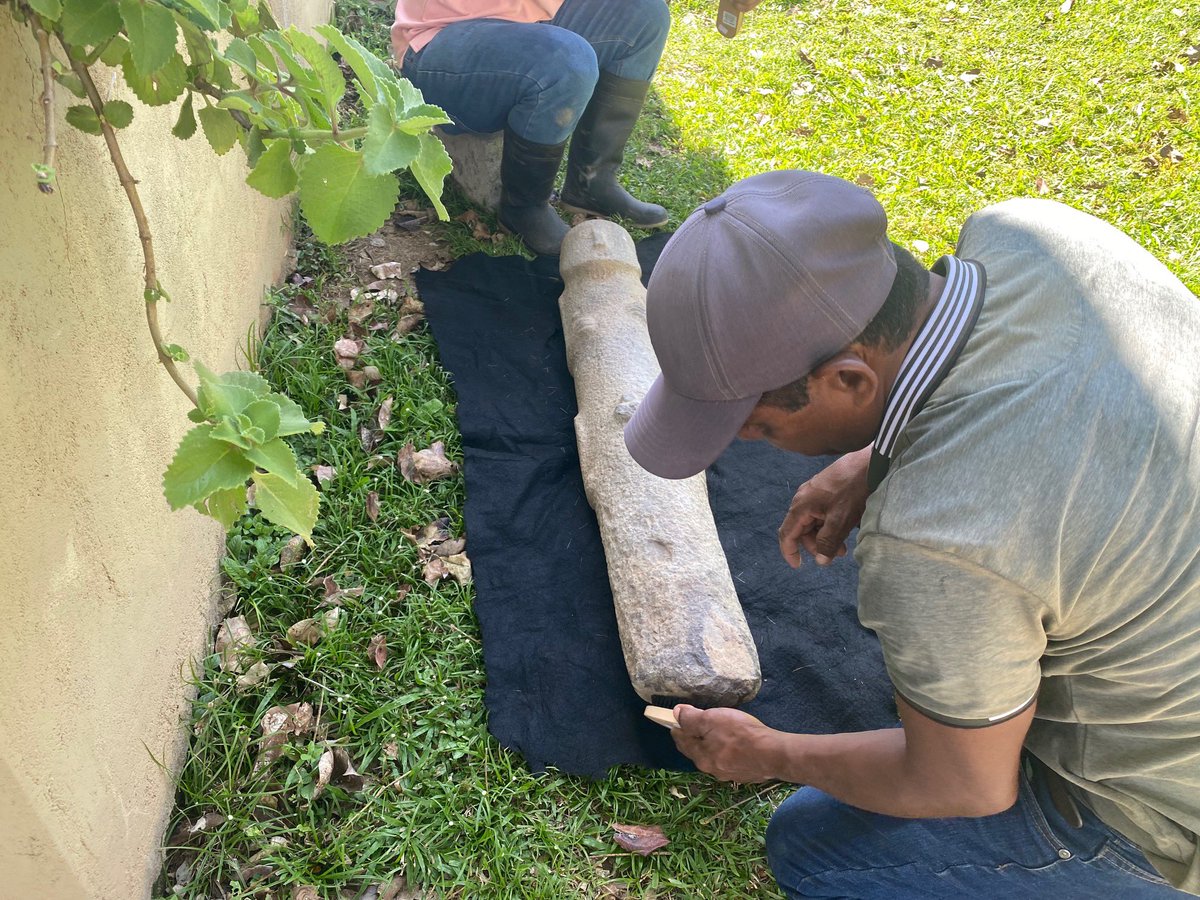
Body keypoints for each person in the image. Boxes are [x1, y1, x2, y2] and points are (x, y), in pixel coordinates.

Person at [623, 170, 1200, 897]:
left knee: (815, 844)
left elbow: (965, 783)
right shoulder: (1031, 232)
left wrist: (770, 751)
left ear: (850, 381)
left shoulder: (937, 540)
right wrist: (877, 456)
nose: (751, 445)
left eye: (759, 426)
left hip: (1167, 811)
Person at [390, 0, 763, 256]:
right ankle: (523, 207)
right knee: (566, 62)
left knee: (644, 15)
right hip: (439, 44)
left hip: (524, 17)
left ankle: (591, 184)